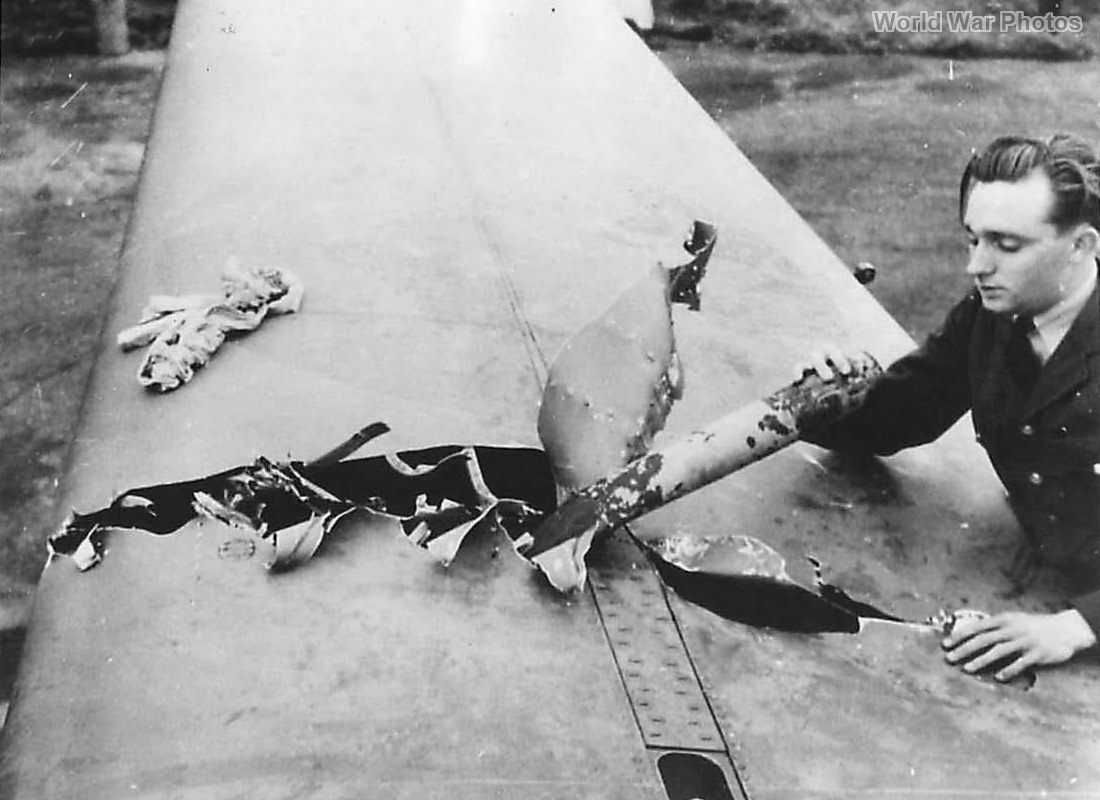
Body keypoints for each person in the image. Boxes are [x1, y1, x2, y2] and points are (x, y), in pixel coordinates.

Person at [801, 133, 1100, 682]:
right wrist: (829, 391)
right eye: (973, 239)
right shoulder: (992, 317)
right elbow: (896, 414)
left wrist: (1078, 626)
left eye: (1006, 245)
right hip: (1040, 586)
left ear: (1081, 246)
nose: (976, 266)